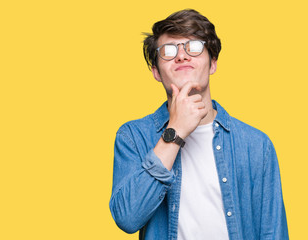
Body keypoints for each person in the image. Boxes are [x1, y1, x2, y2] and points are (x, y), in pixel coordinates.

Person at [109, 9, 288, 240]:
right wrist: (174, 133)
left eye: (193, 47)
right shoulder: (133, 136)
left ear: (212, 63)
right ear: (156, 71)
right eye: (169, 51)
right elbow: (127, 218)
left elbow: (273, 233)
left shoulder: (256, 145)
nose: (181, 56)